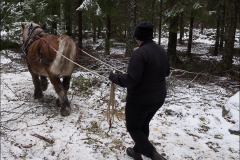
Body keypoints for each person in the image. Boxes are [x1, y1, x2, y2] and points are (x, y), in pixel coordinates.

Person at [109, 21, 170, 160]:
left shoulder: (139, 54)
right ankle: (137, 153)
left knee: (133, 128)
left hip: (140, 101)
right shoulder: (161, 51)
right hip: (158, 98)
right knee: (142, 124)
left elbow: (131, 80)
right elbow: (166, 73)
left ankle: (154, 155)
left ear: (138, 37)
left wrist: (114, 77)